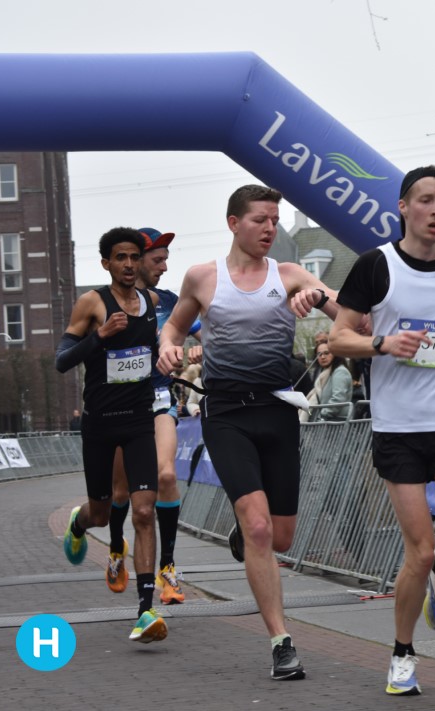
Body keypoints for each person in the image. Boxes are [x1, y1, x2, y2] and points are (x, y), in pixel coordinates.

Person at [156, 184, 341, 681]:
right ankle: (282, 642)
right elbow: (173, 328)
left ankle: (246, 532)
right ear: (234, 223)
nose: (270, 228)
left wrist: (320, 296)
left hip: (277, 411)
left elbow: (353, 317)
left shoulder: (290, 275)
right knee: (260, 528)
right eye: (260, 219)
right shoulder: (203, 278)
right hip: (227, 414)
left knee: (280, 536)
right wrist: (169, 346)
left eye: (275, 220)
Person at [324, 165, 435, 696]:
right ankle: (402, 652)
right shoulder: (377, 266)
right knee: (416, 551)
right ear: (403, 207)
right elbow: (338, 338)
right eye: (426, 200)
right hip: (398, 429)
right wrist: (382, 344)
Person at [54, 227, 166, 644]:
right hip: (100, 424)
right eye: (121, 257)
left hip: (139, 421)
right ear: (106, 263)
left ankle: (145, 609)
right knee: (101, 514)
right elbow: (62, 361)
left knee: (143, 511)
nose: (129, 264)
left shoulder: (152, 302)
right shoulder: (92, 303)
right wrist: (100, 336)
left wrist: (171, 355)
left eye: (134, 257)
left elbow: (153, 349)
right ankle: (79, 523)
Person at [104, 228, 199, 606]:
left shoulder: (172, 302)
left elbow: (206, 331)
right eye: (157, 260)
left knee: (166, 476)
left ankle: (168, 569)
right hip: (119, 403)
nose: (164, 267)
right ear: (136, 260)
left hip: (159, 398)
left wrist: (202, 348)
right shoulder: (107, 301)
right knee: (120, 492)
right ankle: (116, 548)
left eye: (166, 260)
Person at [303, 343, 353, 422]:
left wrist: (322, 414)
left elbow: (338, 399)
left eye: (326, 353)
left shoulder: (340, 371)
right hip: (327, 421)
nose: (322, 357)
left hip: (337, 422)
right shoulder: (324, 373)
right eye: (319, 354)